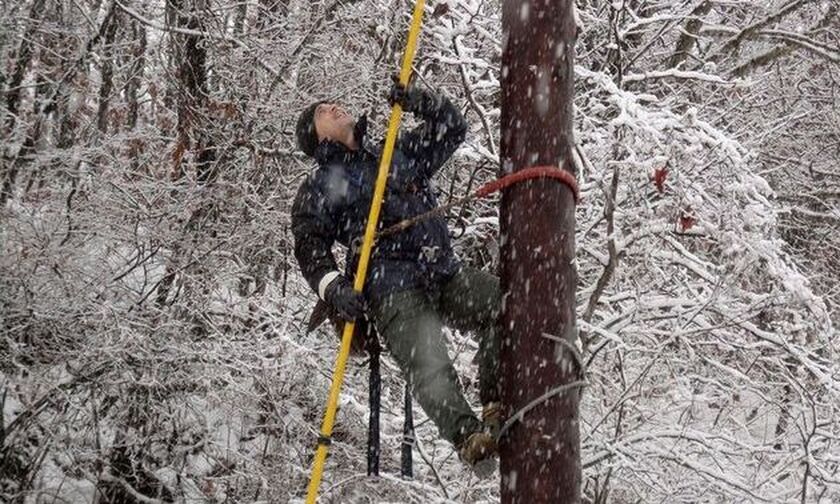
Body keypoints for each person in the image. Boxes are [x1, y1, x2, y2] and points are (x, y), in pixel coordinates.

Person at [291, 80, 501, 471]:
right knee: (428, 362)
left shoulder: (395, 151)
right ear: (316, 139)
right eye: (323, 111)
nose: (335, 107)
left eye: (335, 102)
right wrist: (333, 288)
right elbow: (309, 248)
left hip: (443, 273)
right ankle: (470, 438)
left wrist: (423, 100)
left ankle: (496, 405)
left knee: (506, 304)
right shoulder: (319, 186)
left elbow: (452, 128)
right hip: (392, 289)